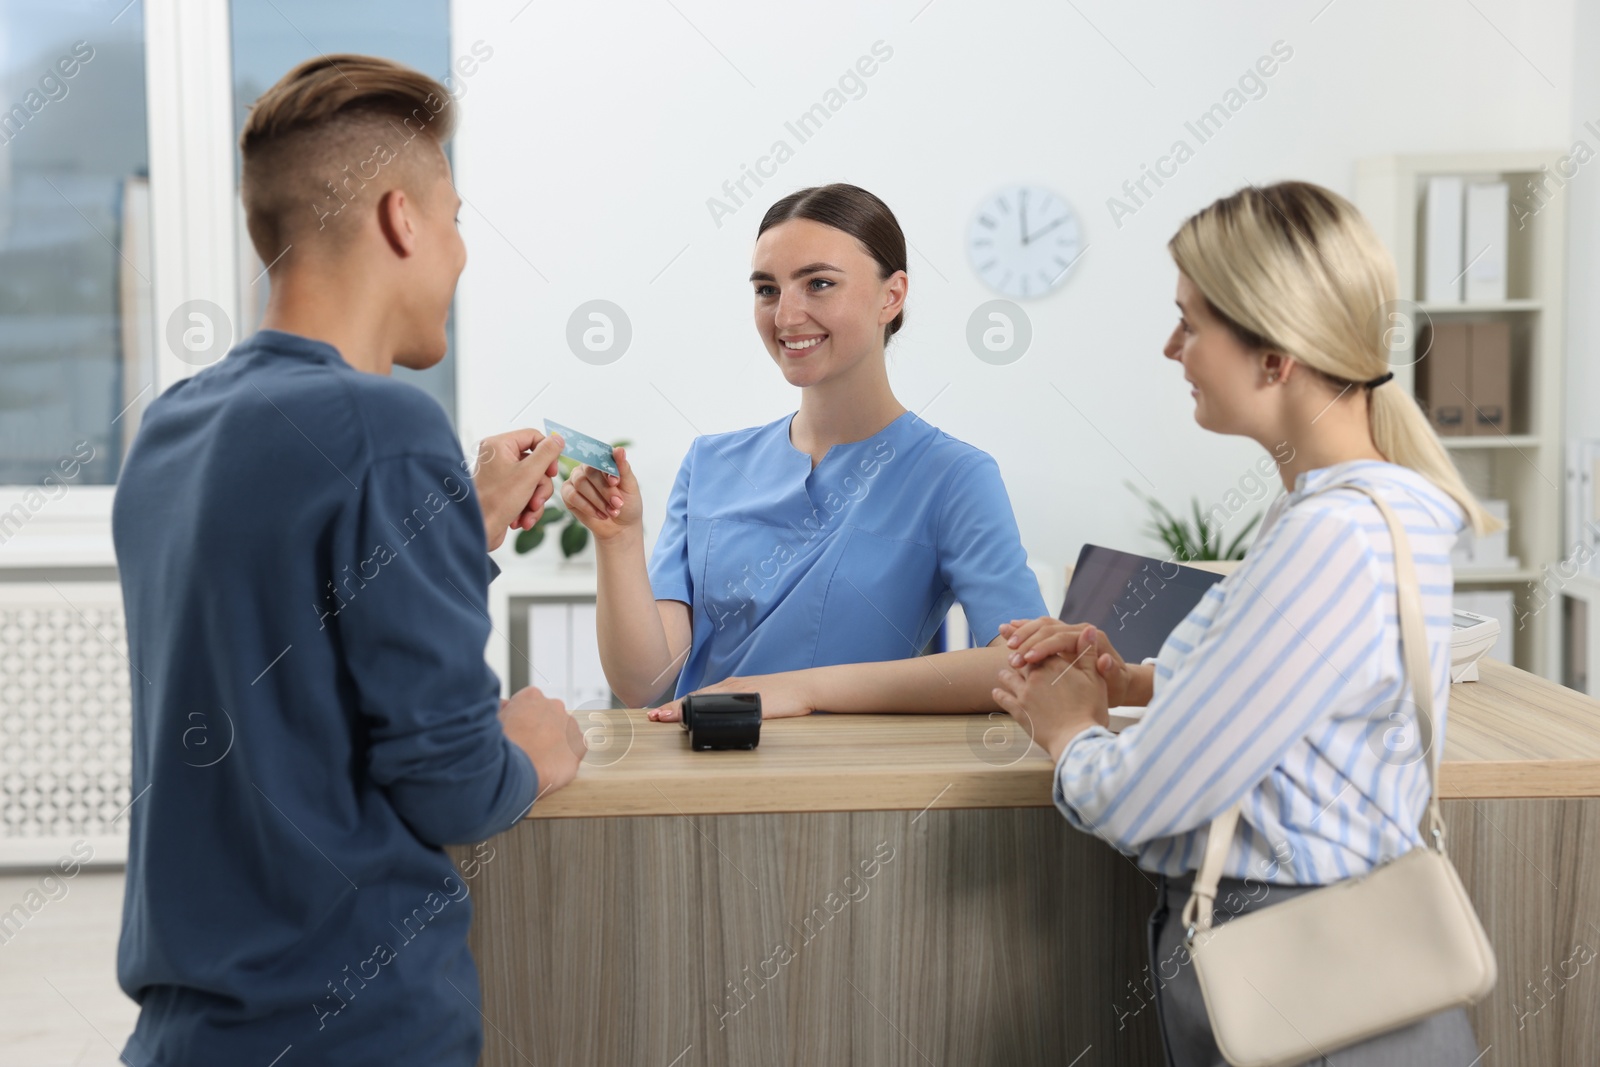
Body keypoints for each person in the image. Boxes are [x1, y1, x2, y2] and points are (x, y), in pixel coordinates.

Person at [111, 54, 584, 1066]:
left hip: (187, 1031)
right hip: (354, 1028)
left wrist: (461, 519)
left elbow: (284, 635)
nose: (460, 254)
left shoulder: (172, 428)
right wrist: (533, 751)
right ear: (401, 218)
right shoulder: (387, 430)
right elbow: (452, 782)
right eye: (454, 219)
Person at [991, 181, 1493, 1065]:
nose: (1171, 347)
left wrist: (1069, 732)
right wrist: (1141, 683)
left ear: (1277, 354)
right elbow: (1311, 712)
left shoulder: (1328, 536)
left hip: (1312, 995)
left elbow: (1148, 800)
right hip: (1344, 991)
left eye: (1191, 322)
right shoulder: (1371, 509)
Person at [560, 183, 1047, 719]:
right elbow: (642, 682)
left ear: (892, 295)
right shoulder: (710, 464)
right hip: (693, 769)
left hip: (841, 785)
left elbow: (1019, 664)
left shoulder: (953, 477)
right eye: (767, 290)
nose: (786, 316)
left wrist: (802, 690)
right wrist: (620, 538)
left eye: (818, 284)